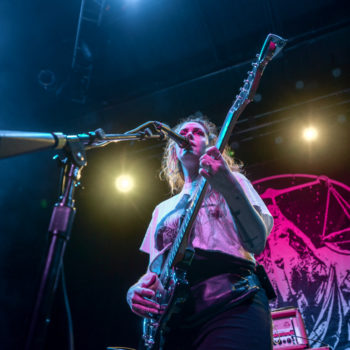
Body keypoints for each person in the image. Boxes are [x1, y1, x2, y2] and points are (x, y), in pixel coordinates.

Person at [126, 114, 274, 349]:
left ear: (211, 145)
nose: (188, 136)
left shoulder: (233, 180)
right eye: (183, 133)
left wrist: (226, 182)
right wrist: (135, 290)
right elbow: (153, 271)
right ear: (174, 152)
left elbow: (256, 241)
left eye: (197, 132)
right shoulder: (161, 209)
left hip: (232, 300)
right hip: (176, 317)